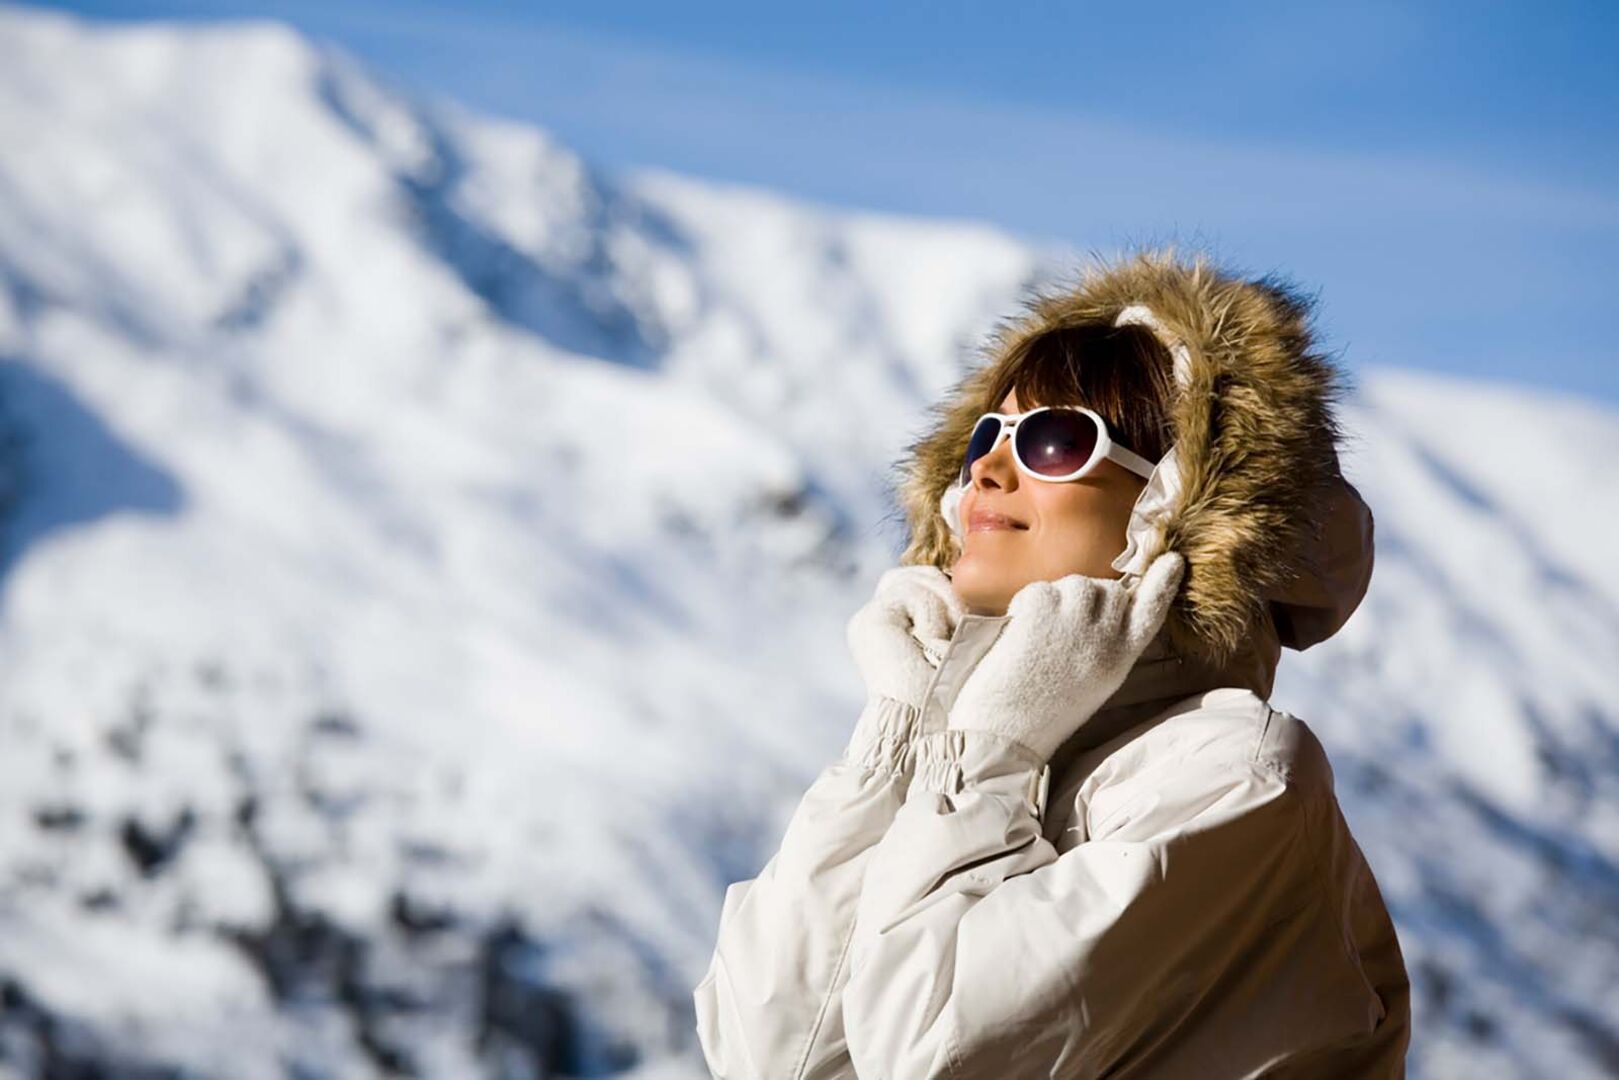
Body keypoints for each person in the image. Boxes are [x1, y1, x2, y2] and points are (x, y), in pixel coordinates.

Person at [691, 246, 1412, 1078]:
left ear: (1175, 503)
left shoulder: (1233, 775)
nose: (989, 471)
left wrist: (988, 744)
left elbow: (934, 1057)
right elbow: (775, 1053)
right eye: (984, 437)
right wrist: (900, 734)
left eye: (1056, 440)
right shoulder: (986, 749)